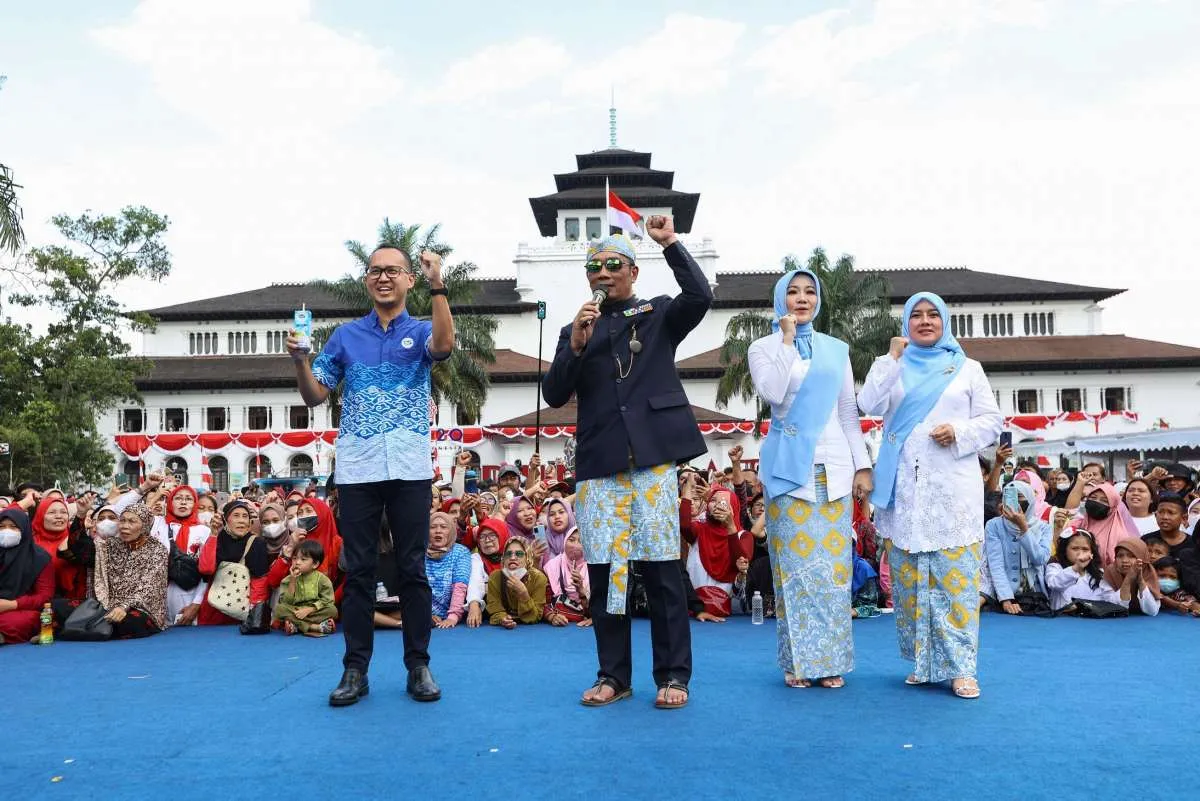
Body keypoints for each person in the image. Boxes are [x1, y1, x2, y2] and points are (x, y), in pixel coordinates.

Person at [542, 221, 711, 709]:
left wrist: (671, 244)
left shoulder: (657, 313)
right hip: (600, 464)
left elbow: (699, 296)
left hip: (653, 460)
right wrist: (575, 344)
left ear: (633, 271)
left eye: (613, 264)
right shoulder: (575, 328)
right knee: (606, 572)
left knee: (661, 571)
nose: (603, 272)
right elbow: (554, 395)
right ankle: (613, 675)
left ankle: (673, 675)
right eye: (594, 266)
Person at [288, 245, 453, 707]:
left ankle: (418, 665)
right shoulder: (345, 336)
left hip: (409, 466)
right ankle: (354, 670)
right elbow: (314, 396)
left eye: (393, 271)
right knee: (358, 571)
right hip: (358, 467)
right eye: (376, 271)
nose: (384, 278)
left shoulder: (420, 330)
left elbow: (443, 347)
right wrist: (300, 360)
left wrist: (438, 280)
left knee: (412, 568)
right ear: (366, 280)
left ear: (408, 281)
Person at [857, 291, 1003, 700]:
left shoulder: (967, 368)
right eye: (916, 315)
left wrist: (959, 433)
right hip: (904, 487)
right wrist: (890, 360)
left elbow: (993, 421)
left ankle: (961, 668)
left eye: (932, 315)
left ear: (944, 322)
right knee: (910, 579)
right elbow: (867, 403)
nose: (924, 321)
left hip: (952, 489)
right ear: (906, 323)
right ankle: (923, 663)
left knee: (954, 579)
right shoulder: (893, 365)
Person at [747, 267, 872, 689]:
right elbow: (773, 393)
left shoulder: (836, 349)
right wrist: (785, 340)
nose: (803, 299)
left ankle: (830, 660)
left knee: (833, 572)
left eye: (810, 292)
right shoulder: (763, 347)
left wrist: (862, 467)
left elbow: (849, 413)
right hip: (788, 471)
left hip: (833, 471)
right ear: (781, 298)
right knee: (795, 572)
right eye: (794, 292)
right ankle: (798, 661)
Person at [90, 503, 169, 639]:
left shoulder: (157, 550)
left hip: (140, 609)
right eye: (122, 520)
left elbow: (147, 587)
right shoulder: (111, 545)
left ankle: (87, 629)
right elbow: (75, 550)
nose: (125, 526)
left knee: (132, 621)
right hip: (109, 605)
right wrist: (80, 518)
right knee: (60, 606)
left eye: (132, 521)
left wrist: (123, 607)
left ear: (144, 525)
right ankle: (95, 628)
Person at [196, 500, 272, 625]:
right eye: (236, 515)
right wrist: (213, 534)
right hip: (213, 609)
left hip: (240, 613)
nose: (241, 520)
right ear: (226, 519)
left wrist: (254, 615)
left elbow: (259, 582)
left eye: (245, 516)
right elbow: (206, 569)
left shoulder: (256, 543)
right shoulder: (217, 539)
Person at [982, 481, 1051, 614]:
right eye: (1010, 496)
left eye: (1020, 496)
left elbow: (1040, 559)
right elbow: (996, 564)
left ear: (1030, 499)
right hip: (1005, 595)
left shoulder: (1044, 527)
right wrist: (1006, 598)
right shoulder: (994, 525)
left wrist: (1024, 528)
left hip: (1035, 595)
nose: (1016, 501)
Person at [0, 508, 54, 644]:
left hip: (21, 608)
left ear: (24, 529)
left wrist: (12, 604)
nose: (6, 531)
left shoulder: (39, 558)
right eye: (1, 527)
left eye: (13, 527)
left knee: (21, 621)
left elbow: (44, 596)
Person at [1044, 528, 1122, 611]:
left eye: (1085, 549)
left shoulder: (1099, 574)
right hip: (1062, 621)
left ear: (1092, 553)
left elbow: (1111, 601)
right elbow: (1054, 584)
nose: (1080, 553)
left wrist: (1127, 583)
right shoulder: (1055, 568)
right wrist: (1076, 567)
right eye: (1075, 548)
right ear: (1065, 550)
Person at [274, 539, 338, 636]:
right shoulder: (287, 580)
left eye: (303, 559)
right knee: (279, 609)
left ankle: (296, 626)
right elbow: (286, 602)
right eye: (295, 558)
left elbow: (328, 600)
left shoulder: (322, 579)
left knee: (332, 610)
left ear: (315, 564)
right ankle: (315, 627)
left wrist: (309, 610)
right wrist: (292, 580)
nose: (297, 562)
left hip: (314, 611)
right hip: (296, 610)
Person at [485, 538, 551, 628]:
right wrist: (503, 618)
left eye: (519, 554)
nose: (512, 558)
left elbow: (535, 617)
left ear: (527, 557)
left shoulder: (538, 578)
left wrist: (524, 594)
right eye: (508, 554)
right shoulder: (495, 577)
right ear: (503, 558)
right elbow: (494, 610)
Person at [424, 511, 472, 629]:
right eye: (432, 527)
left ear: (451, 531)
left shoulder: (461, 552)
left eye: (443, 527)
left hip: (451, 616)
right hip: (424, 616)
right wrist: (425, 615)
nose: (438, 531)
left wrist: (453, 617)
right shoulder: (419, 552)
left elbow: (460, 586)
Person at [1073, 482, 1139, 566]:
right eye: (1093, 498)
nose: (1096, 502)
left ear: (1113, 507)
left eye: (1104, 501)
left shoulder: (1121, 535)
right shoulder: (1076, 525)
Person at [544, 528, 592, 627]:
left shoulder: (594, 568)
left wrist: (581, 590)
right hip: (559, 628)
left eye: (581, 541)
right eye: (571, 540)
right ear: (565, 541)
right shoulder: (553, 565)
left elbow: (601, 604)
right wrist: (551, 616)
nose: (575, 545)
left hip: (584, 629)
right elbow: (542, 600)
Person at [1104, 538, 1161, 616]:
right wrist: (1128, 580)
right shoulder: (1111, 571)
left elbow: (1152, 611)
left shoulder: (1148, 572)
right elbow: (1114, 607)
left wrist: (1141, 581)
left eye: (1132, 556)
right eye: (1120, 556)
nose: (1124, 560)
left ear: (1142, 559)